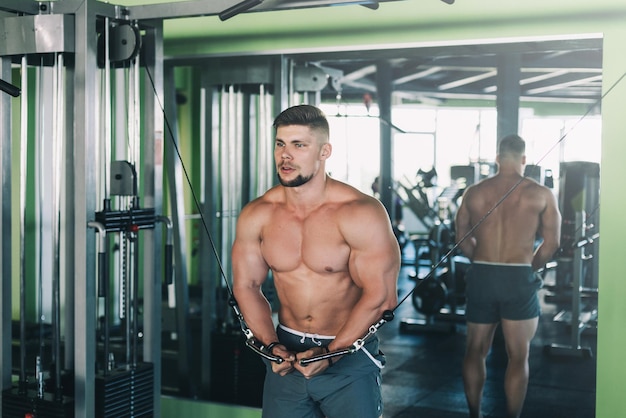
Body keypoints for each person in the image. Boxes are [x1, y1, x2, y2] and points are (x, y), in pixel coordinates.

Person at [232, 104, 401, 418]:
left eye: (299, 145)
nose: (286, 155)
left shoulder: (361, 212)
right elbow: (246, 285)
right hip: (285, 358)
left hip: (349, 358)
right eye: (280, 144)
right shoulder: (258, 214)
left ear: (325, 151)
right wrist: (270, 345)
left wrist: (332, 354)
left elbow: (381, 296)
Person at [454, 134, 561, 418]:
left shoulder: (474, 192)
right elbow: (551, 244)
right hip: (518, 277)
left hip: (483, 274)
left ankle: (474, 414)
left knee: (475, 350)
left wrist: (481, 260)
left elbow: (461, 236)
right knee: (518, 356)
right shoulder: (540, 194)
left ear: (497, 158)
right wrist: (530, 267)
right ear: (524, 159)